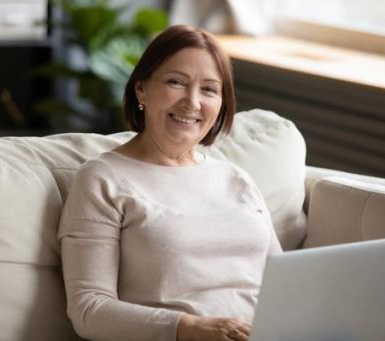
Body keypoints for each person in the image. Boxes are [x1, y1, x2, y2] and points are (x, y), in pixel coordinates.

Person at [58, 24, 282, 341]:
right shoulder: (102, 179)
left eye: (209, 89)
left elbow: (287, 283)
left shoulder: (236, 179)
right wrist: (189, 328)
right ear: (141, 89)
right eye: (176, 82)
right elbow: (89, 310)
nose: (192, 102)